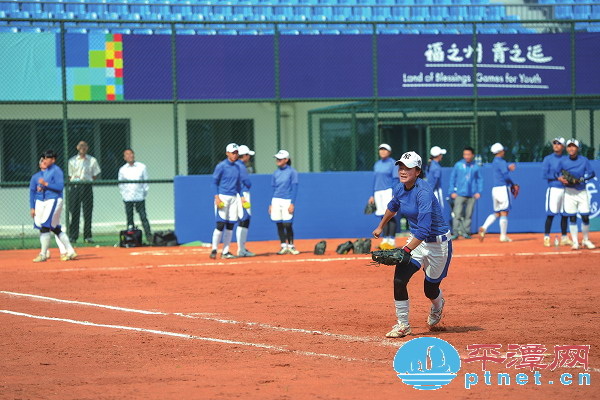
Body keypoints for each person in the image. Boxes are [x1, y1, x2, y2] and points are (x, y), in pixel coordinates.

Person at [372, 151, 452, 338]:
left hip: (437, 244)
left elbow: (425, 230)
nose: (402, 171)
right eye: (400, 166)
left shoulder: (423, 193)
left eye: (407, 167)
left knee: (430, 289)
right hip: (417, 240)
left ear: (417, 171)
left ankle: (438, 305)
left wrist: (405, 250)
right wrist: (380, 226)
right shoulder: (400, 188)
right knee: (399, 279)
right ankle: (403, 324)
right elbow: (393, 207)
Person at [30, 150, 77, 262]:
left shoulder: (56, 170)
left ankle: (43, 254)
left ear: (53, 160)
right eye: (44, 158)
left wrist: (45, 184)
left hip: (53, 200)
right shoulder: (45, 172)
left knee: (45, 226)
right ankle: (70, 251)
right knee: (54, 228)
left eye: (48, 158)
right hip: (46, 200)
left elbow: (60, 187)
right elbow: (35, 190)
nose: (45, 160)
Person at [210, 143, 247, 259]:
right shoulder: (221, 166)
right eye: (233, 153)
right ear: (227, 153)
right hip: (222, 197)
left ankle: (225, 251)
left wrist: (242, 197)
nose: (235, 155)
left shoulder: (237, 167)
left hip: (234, 198)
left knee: (231, 225)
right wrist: (217, 198)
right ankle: (214, 249)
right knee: (220, 224)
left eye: (236, 153)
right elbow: (214, 182)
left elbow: (238, 185)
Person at [558, 139, 596, 250]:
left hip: (581, 192)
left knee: (585, 216)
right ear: (566, 148)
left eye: (573, 146)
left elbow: (591, 173)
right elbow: (557, 173)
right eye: (569, 146)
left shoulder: (584, 160)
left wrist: (580, 179)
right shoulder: (563, 161)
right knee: (572, 217)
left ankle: (585, 239)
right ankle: (575, 242)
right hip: (569, 192)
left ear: (578, 148)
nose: (571, 148)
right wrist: (560, 178)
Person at [478, 143, 516, 242]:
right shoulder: (502, 161)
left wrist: (507, 168)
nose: (504, 152)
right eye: (502, 150)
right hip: (503, 188)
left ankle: (484, 227)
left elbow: (501, 170)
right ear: (500, 151)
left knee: (497, 213)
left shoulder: (495, 161)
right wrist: (512, 184)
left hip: (495, 189)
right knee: (504, 212)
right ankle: (503, 236)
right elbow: (505, 176)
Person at [68, 141, 101, 244]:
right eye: (80, 146)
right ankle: (73, 236)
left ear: (87, 148)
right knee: (74, 211)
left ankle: (87, 236)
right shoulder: (72, 161)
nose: (82, 148)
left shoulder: (92, 160)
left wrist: (87, 180)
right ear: (77, 147)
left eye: (84, 146)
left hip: (87, 186)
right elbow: (70, 176)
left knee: (87, 211)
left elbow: (95, 175)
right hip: (75, 187)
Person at [541, 137, 572, 247]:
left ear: (563, 147)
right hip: (554, 189)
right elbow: (545, 175)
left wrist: (570, 180)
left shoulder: (566, 159)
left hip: (565, 189)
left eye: (558, 144)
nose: (556, 145)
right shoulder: (548, 159)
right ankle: (546, 237)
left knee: (565, 214)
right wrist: (557, 178)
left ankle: (564, 237)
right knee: (551, 214)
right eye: (554, 143)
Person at [368, 143, 399, 249]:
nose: (382, 151)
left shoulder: (393, 163)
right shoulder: (377, 164)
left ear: (389, 152)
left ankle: (392, 241)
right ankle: (385, 240)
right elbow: (375, 180)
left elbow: (396, 180)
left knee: (390, 215)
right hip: (378, 192)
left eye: (385, 149)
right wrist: (372, 195)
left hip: (388, 191)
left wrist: (394, 194)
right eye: (381, 149)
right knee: (382, 216)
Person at [448, 146, 483, 239]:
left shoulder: (475, 166)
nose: (466, 156)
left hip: (471, 195)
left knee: (469, 215)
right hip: (459, 194)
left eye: (468, 154)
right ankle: (455, 233)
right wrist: (452, 191)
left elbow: (480, 179)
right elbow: (452, 178)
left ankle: (466, 232)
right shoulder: (458, 165)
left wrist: (479, 191)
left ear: (472, 155)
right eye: (465, 154)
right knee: (457, 214)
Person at [118, 149, 152, 243]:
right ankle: (131, 239)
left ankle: (149, 237)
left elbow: (145, 182)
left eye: (131, 154)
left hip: (139, 196)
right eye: (127, 155)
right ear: (124, 158)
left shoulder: (142, 167)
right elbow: (121, 184)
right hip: (128, 197)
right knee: (129, 218)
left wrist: (144, 194)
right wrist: (124, 195)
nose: (130, 156)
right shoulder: (122, 169)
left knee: (143, 217)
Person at [270, 149, 300, 255]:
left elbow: (294, 188)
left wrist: (292, 203)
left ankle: (291, 246)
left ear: (286, 160)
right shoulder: (275, 173)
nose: (277, 160)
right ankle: (283, 246)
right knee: (279, 224)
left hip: (287, 200)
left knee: (287, 224)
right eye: (277, 158)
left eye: (280, 158)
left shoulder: (292, 172)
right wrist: (271, 204)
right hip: (276, 200)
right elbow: (273, 189)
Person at [235, 145, 255, 257]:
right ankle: (241, 249)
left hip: (237, 194)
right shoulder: (241, 166)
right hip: (243, 194)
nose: (249, 158)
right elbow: (247, 183)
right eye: (248, 155)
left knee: (243, 220)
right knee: (244, 220)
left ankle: (241, 248)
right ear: (245, 156)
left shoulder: (235, 165)